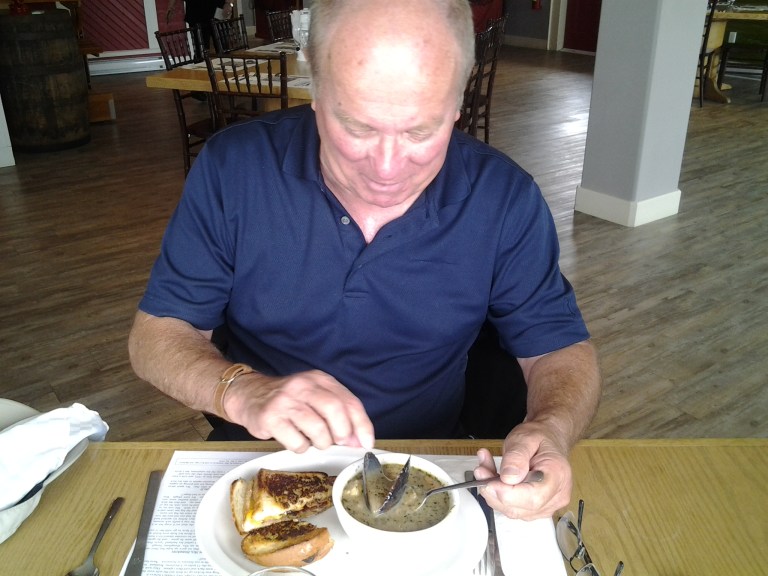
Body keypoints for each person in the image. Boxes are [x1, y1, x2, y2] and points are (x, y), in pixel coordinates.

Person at [129, 0, 601, 521]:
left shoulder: (504, 198)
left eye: (421, 132)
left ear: (457, 107)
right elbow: (155, 336)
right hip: (259, 458)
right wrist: (242, 391)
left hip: (428, 469)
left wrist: (552, 431)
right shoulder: (232, 169)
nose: (386, 168)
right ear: (316, 91)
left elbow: (560, 349)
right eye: (357, 127)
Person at [166, 0, 232, 58]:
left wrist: (229, 3)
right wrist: (170, 7)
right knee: (200, 51)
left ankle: (227, 69)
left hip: (217, 10)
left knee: (223, 48)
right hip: (196, 12)